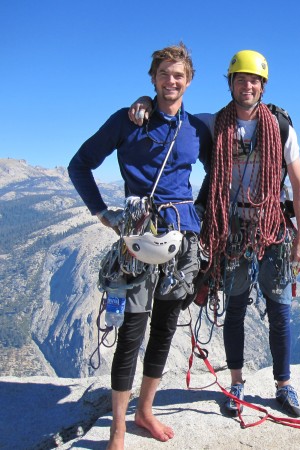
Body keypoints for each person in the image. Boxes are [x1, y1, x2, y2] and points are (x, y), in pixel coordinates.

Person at [129, 50, 300, 418]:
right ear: (230, 84)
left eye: (254, 80)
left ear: (263, 86)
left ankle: (283, 384)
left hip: (271, 228)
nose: (248, 86)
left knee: (280, 309)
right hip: (232, 229)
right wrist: (148, 99)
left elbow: (298, 183)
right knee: (237, 308)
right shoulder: (213, 124)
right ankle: (237, 382)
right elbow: (174, 114)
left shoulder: (280, 126)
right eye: (241, 79)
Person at [68, 43, 211, 449]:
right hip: (139, 236)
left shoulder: (197, 129)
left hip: (181, 241)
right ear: (153, 79)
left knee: (165, 328)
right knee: (132, 331)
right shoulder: (129, 121)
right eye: (164, 74)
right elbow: (80, 164)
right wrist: (101, 213)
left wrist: (197, 216)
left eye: (178, 75)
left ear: (189, 80)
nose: (171, 81)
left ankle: (144, 411)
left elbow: (217, 172)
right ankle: (117, 427)